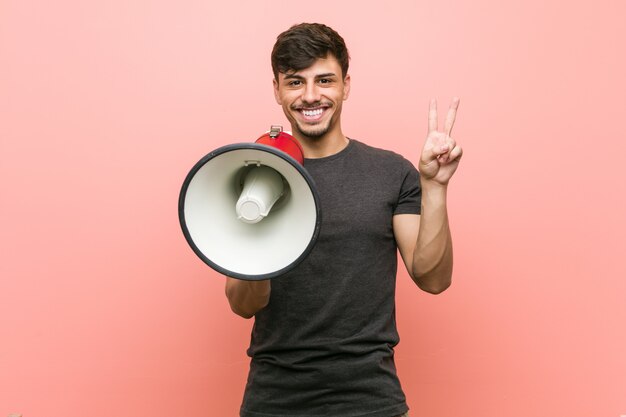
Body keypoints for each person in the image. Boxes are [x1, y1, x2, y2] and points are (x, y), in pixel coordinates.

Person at [225, 23, 462, 417]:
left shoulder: (391, 172)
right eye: (295, 82)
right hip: (275, 400)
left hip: (371, 399)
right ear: (277, 90)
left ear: (346, 85)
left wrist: (434, 186)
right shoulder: (253, 174)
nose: (311, 95)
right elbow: (243, 304)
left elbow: (433, 279)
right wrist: (258, 219)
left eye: (325, 80)